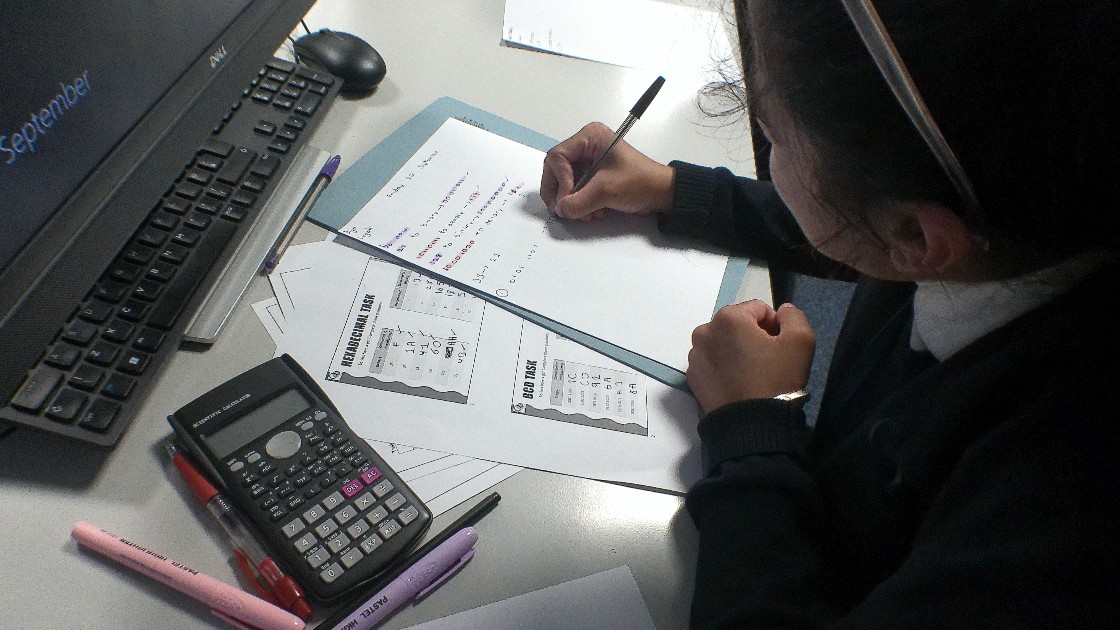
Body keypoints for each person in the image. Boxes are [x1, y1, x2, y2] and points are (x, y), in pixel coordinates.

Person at [541, 0, 1120, 627]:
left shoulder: (1051, 528)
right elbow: (854, 216)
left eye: (778, 140)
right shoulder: (1012, 220)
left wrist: (754, 429)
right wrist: (682, 190)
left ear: (916, 239)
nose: (769, 151)